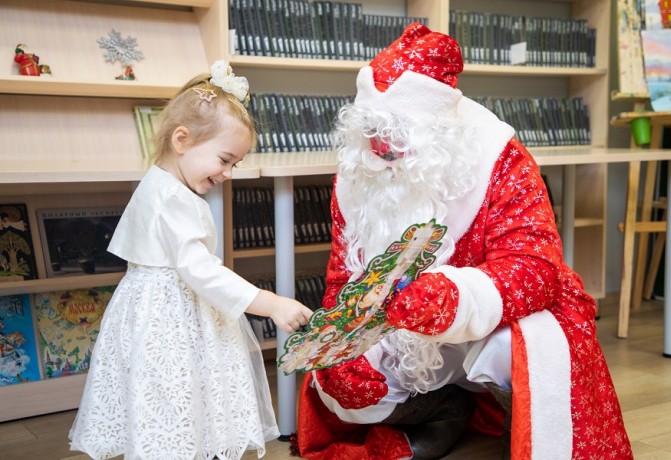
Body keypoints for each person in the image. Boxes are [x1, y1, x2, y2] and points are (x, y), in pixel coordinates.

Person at [296, 23, 633, 460]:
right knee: (346, 380)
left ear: (438, 133)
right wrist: (342, 344)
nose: (379, 150)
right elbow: (343, 276)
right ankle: (444, 413)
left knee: (533, 341)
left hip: (486, 321)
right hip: (404, 331)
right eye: (370, 132)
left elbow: (536, 269)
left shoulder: (499, 157)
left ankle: (519, 432)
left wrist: (449, 298)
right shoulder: (360, 172)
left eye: (396, 139)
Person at [68, 60, 313, 460]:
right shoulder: (172, 199)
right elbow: (199, 270)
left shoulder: (161, 183)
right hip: (169, 315)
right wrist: (270, 303)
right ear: (181, 140)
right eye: (224, 159)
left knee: (177, 397)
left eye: (235, 164)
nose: (229, 173)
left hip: (160, 307)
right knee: (175, 393)